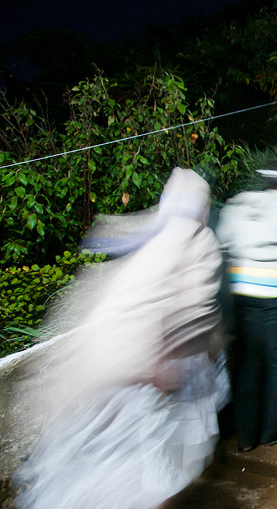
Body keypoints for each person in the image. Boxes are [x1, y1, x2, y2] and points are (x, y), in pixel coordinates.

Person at [14, 168, 227, 509]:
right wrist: (192, 357)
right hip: (137, 371)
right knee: (150, 476)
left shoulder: (149, 234)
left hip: (95, 371)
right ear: (203, 207)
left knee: (100, 473)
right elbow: (194, 312)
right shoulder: (196, 241)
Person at [216, 169, 277, 451]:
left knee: (248, 364)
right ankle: (270, 430)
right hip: (273, 293)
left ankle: (245, 438)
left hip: (242, 293)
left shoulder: (240, 202)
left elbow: (224, 242)